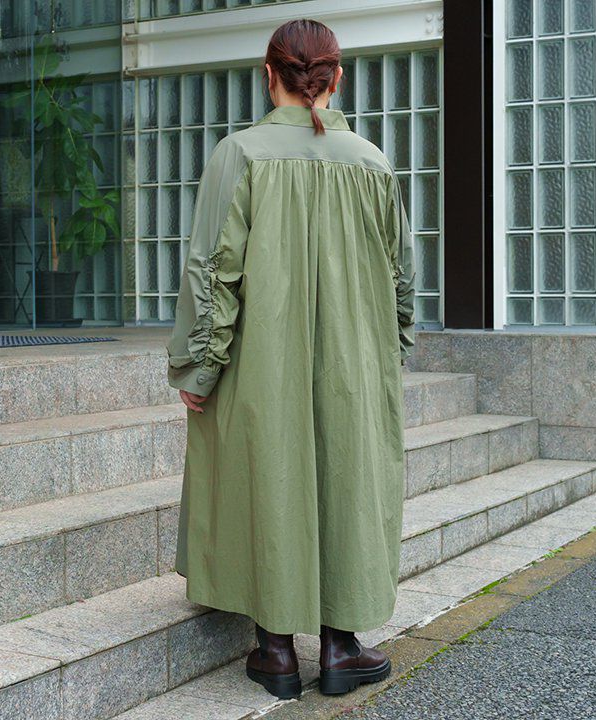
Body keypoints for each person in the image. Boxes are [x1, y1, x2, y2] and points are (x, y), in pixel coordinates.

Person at [165, 17, 416, 701]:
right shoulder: (372, 161)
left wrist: (199, 366)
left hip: (261, 359)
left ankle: (275, 651)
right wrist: (391, 350)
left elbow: (212, 271)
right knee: (346, 477)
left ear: (268, 76)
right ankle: (340, 647)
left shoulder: (239, 154)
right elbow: (402, 275)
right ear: (338, 80)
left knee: (267, 474)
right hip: (355, 359)